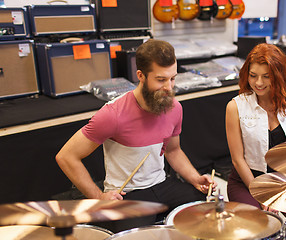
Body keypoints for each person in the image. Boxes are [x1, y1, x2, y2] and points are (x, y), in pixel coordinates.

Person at [55, 39, 215, 232]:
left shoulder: (174, 108)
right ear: (141, 75)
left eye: (173, 78)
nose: (169, 88)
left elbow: (173, 151)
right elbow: (66, 156)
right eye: (161, 80)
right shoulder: (112, 114)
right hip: (128, 193)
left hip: (161, 184)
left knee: (207, 211)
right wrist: (98, 197)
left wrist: (195, 178)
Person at [225, 43, 286, 240]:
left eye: (266, 76)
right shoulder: (235, 107)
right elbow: (237, 160)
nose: (258, 82)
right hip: (247, 182)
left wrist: (283, 190)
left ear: (278, 75)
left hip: (282, 182)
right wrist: (263, 195)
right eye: (253, 75)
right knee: (259, 229)